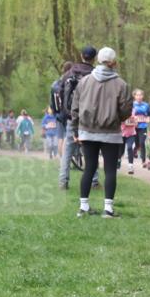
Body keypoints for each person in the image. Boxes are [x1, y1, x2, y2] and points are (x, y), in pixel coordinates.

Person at [70, 47, 132, 218]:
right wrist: (115, 118)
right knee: (110, 170)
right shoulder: (121, 84)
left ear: (98, 60)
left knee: (89, 168)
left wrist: (76, 129)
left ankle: (83, 207)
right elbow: (126, 110)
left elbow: (75, 108)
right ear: (114, 62)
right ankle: (108, 209)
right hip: (111, 132)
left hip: (87, 131)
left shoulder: (84, 82)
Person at [58, 47, 96, 190]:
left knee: (68, 149)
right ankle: (94, 181)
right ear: (94, 58)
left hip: (71, 116)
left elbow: (60, 92)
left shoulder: (69, 73)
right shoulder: (95, 74)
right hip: (90, 117)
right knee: (91, 149)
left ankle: (63, 181)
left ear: (81, 56)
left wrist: (65, 111)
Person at [128, 88, 150, 172]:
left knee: (142, 142)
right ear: (134, 96)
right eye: (137, 95)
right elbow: (129, 115)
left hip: (143, 127)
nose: (139, 97)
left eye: (141, 95)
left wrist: (148, 119)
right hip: (134, 127)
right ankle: (135, 150)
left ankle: (143, 161)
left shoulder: (146, 105)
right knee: (137, 143)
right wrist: (133, 120)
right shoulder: (132, 104)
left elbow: (149, 114)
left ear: (143, 96)